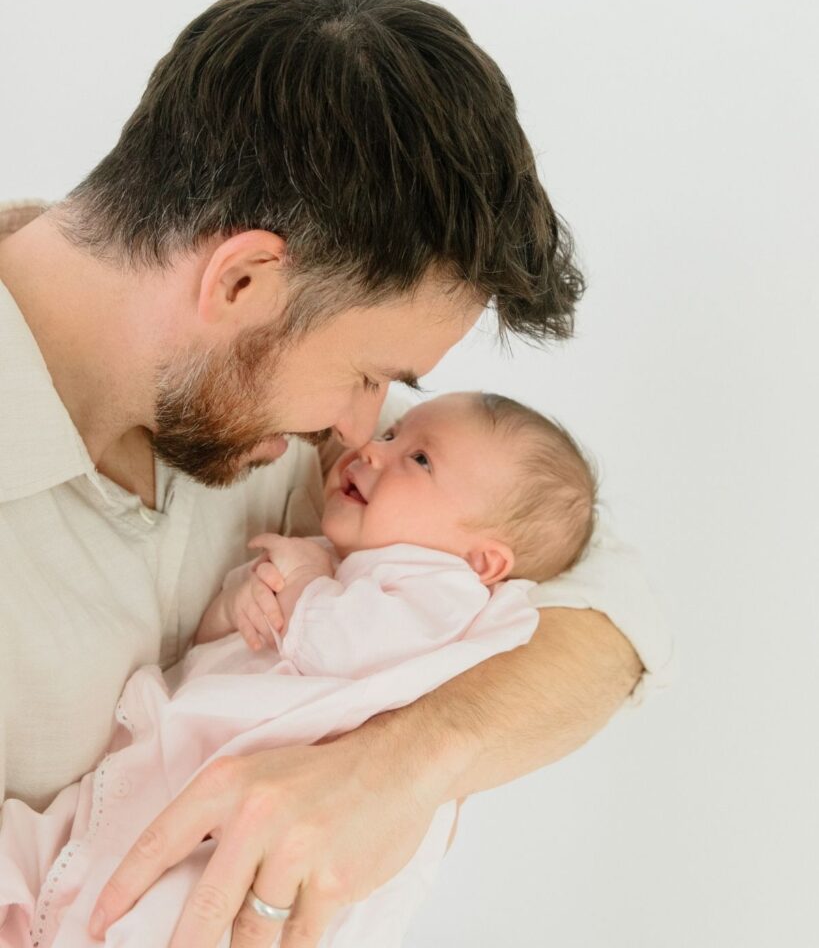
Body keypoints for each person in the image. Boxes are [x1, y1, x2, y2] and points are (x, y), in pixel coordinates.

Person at [0, 0, 674, 948]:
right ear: (242, 280)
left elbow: (608, 599)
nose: (370, 426)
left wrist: (403, 762)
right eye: (369, 374)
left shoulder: (272, 413)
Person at [0, 391, 596, 947]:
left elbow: (344, 648)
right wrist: (238, 604)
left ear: (484, 559)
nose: (371, 448)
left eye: (417, 458)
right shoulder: (346, 563)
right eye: (391, 433)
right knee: (45, 853)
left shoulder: (448, 596)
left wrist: (306, 582)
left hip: (241, 838)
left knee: (160, 909)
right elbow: (212, 654)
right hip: (169, 777)